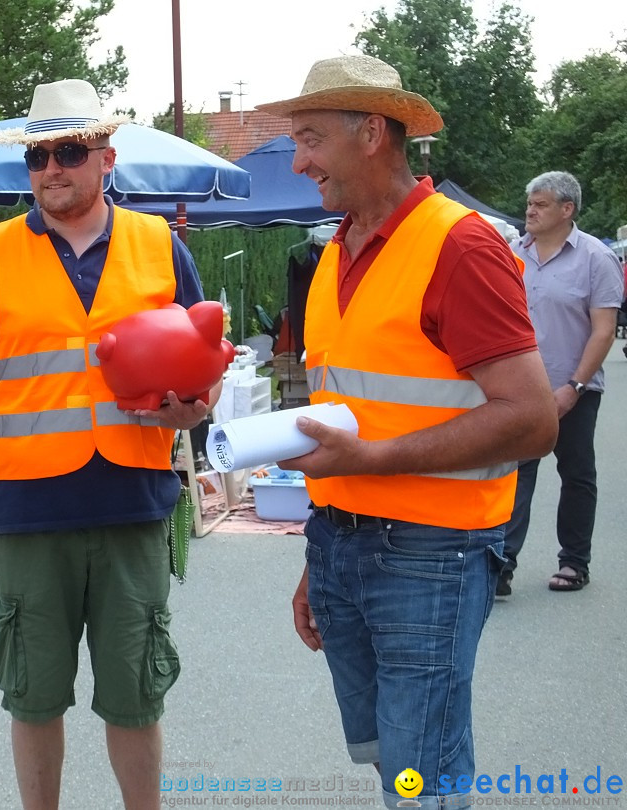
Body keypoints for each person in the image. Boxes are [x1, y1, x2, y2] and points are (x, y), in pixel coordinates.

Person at [256, 55, 558, 809]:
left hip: (431, 553)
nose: (298, 161)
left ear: (370, 133)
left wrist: (378, 460)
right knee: (390, 760)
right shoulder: (335, 252)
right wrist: (318, 555)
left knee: (422, 776)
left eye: (310, 139)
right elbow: (347, 415)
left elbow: (532, 417)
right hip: (344, 546)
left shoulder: (460, 244)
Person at [0, 78, 219, 810]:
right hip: (32, 512)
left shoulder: (160, 246)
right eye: (37, 157)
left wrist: (193, 412)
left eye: (67, 151)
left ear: (106, 158)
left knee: (136, 695)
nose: (51, 169)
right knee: (33, 695)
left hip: (133, 503)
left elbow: (201, 364)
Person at [499, 171, 623, 595]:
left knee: (577, 474)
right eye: (529, 203)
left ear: (567, 210)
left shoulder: (595, 258)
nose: (529, 210)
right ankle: (502, 564)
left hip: (575, 388)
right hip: (520, 388)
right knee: (515, 473)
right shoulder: (512, 253)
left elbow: (603, 330)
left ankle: (574, 562)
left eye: (540, 204)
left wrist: (574, 386)